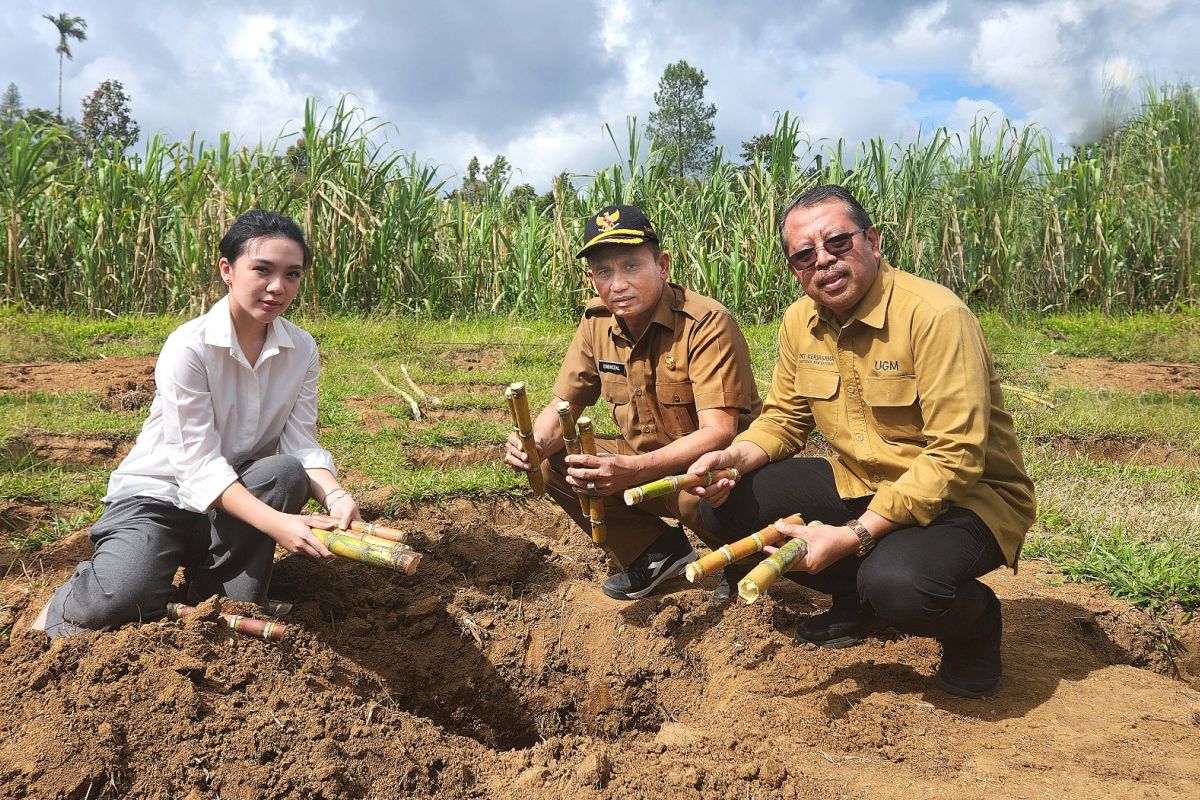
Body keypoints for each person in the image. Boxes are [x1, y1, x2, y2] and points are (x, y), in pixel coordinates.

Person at [688, 184, 1035, 698]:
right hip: (866, 485)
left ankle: (975, 628)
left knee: (898, 582)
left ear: (872, 240)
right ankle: (857, 603)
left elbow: (955, 456)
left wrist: (855, 535)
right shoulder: (798, 323)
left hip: (969, 499)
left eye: (838, 243)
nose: (823, 262)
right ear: (794, 269)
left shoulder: (935, 315)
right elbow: (783, 420)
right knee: (727, 505)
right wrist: (732, 457)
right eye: (804, 255)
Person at [34, 209, 360, 638]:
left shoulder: (301, 348)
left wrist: (335, 496)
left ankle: (197, 596)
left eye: (292, 274)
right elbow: (197, 467)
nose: (277, 287)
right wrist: (277, 525)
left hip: (235, 498)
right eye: (262, 270)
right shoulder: (189, 347)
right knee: (115, 601)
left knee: (283, 473)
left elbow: (301, 443)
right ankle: (74, 601)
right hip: (157, 498)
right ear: (227, 269)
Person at [504, 204, 761, 601]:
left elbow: (720, 431)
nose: (617, 283)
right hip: (644, 461)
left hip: (717, 469)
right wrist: (534, 442)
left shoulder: (706, 323)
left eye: (631, 266)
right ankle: (655, 551)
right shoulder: (595, 322)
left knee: (706, 492)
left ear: (662, 266)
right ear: (592, 280)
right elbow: (564, 407)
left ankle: (738, 559)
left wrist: (633, 469)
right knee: (558, 459)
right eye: (604, 272)